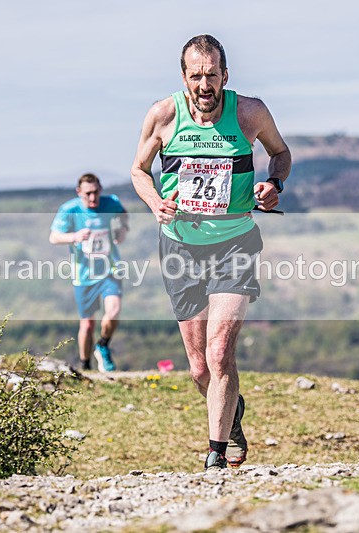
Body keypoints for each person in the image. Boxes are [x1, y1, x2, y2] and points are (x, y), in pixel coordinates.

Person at [130, 35, 291, 470]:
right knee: (200, 369)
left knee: (221, 354)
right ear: (184, 77)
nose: (205, 85)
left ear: (225, 75)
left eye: (212, 75)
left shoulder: (249, 112)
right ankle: (232, 417)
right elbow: (139, 170)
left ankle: (215, 454)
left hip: (235, 243)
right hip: (181, 248)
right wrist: (154, 201)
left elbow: (280, 153)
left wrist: (273, 185)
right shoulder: (163, 115)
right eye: (196, 76)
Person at [49, 173, 129, 372]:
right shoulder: (69, 209)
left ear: (101, 189)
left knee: (114, 311)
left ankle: (103, 344)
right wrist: (74, 236)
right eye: (87, 194)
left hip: (110, 268)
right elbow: (54, 237)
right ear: (79, 192)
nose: (92, 198)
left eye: (95, 193)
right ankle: (85, 365)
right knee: (87, 324)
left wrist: (121, 230)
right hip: (84, 273)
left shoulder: (111, 203)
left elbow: (123, 215)